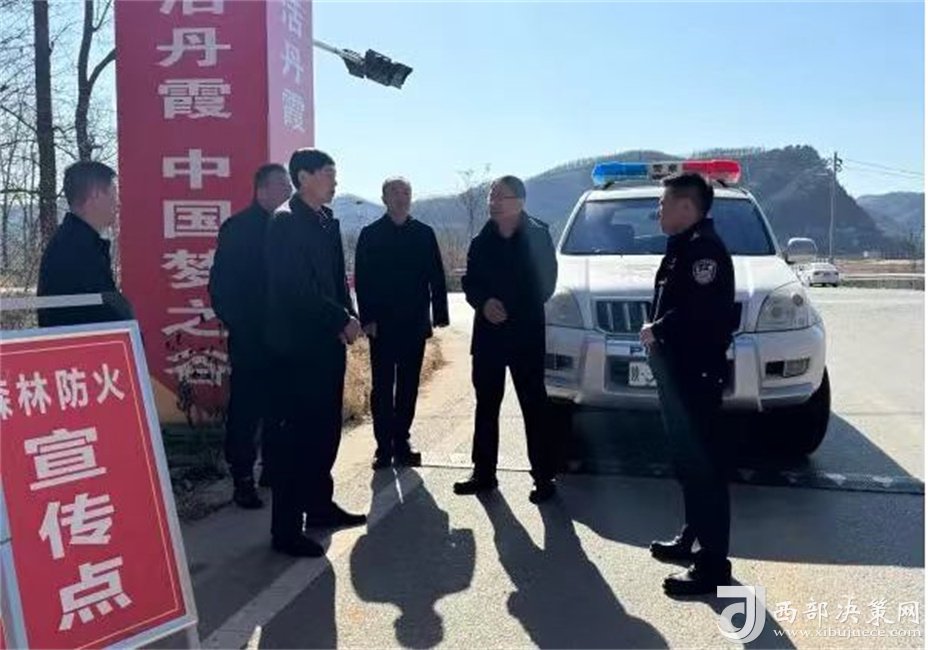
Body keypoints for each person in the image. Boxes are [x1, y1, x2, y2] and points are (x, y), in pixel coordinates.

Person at [264, 148, 366, 557]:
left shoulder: (325, 220)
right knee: (295, 439)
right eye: (327, 173)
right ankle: (286, 530)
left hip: (327, 344)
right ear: (303, 177)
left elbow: (338, 281)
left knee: (325, 431)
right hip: (296, 349)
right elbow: (295, 288)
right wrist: (339, 318)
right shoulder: (285, 222)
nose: (334, 182)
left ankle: (320, 507)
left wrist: (350, 316)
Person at [640, 171, 737, 596]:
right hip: (679, 374)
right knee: (688, 464)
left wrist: (657, 329)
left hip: (696, 374)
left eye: (663, 203)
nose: (658, 210)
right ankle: (692, 539)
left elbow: (700, 312)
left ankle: (713, 565)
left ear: (685, 207)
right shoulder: (683, 246)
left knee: (705, 469)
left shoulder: (704, 251)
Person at [454, 176, 558, 504]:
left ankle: (544, 476)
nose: (494, 202)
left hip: (526, 333)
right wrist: (484, 303)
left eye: (501, 197)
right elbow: (471, 283)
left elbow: (546, 283)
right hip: (489, 336)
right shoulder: (481, 240)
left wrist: (510, 308)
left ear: (520, 202)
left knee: (533, 405)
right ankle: (483, 473)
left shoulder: (538, 235)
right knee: (486, 404)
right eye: (491, 196)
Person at [209, 163, 292, 509]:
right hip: (251, 337)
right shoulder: (238, 228)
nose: (288, 191)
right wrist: (240, 324)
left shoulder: (289, 226)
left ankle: (272, 468)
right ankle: (242, 478)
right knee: (246, 409)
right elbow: (221, 286)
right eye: (281, 185)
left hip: (286, 338)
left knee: (280, 407)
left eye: (289, 185)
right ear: (262, 190)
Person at [355, 177, 449, 470]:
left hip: (414, 321)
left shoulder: (424, 233)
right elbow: (362, 279)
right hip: (381, 324)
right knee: (383, 387)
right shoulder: (370, 234)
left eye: (406, 192)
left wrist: (440, 313)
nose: (401, 196)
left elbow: (436, 274)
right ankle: (383, 446)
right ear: (384, 198)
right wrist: (367, 319)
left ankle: (402, 440)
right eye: (395, 192)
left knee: (408, 385)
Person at [37, 161, 134, 327]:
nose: (118, 204)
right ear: (96, 195)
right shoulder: (75, 250)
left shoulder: (75, 241)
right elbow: (105, 314)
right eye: (113, 194)